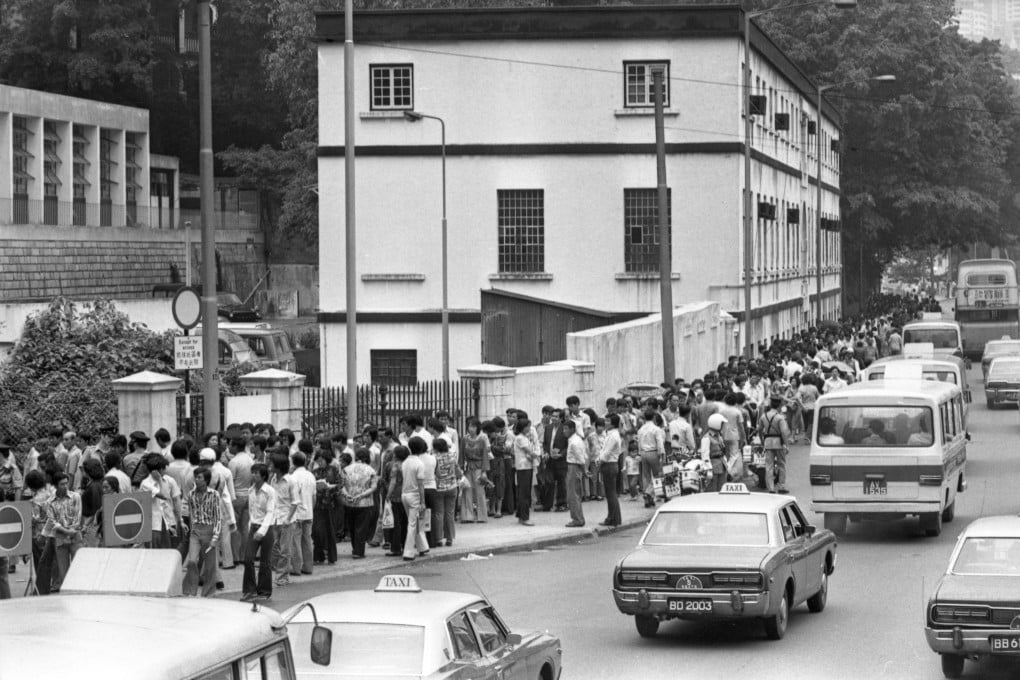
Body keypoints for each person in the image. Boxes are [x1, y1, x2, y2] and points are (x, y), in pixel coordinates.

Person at [241, 463, 277, 602]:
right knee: (248, 558)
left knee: (265, 561)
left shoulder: (269, 491)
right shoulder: (250, 491)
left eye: (256, 473)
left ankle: (264, 591)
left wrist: (262, 530)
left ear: (263, 476)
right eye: (253, 472)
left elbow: (270, 512)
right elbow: (251, 511)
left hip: (266, 528)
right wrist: (252, 526)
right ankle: (249, 590)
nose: (253, 475)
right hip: (254, 526)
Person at [183, 468, 221, 598]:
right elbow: (191, 513)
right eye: (196, 477)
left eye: (199, 477)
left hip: (209, 529)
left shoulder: (214, 494)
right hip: (196, 530)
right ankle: (189, 590)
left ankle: (208, 593)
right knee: (192, 561)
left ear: (206, 480)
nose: (196, 480)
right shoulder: (191, 494)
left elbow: (217, 516)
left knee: (210, 564)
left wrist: (216, 535)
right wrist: (191, 528)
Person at [341, 448, 376, 559]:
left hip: (349, 502)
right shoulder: (371, 470)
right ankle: (359, 551)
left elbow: (341, 485)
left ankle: (355, 548)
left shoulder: (346, 469)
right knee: (361, 527)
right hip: (364, 502)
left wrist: (347, 495)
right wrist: (360, 495)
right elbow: (373, 487)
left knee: (352, 526)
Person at [270, 454, 298, 587]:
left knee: (285, 550)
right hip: (275, 519)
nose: (270, 466)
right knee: (276, 547)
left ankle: (282, 576)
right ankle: (278, 571)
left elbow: (295, 502)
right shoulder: (273, 479)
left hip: (287, 519)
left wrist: (288, 519)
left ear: (278, 467)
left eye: (272, 464)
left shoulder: (291, 481)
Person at [401, 437, 430, 561]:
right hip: (415, 496)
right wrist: (423, 501)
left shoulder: (405, 462)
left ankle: (422, 546)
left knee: (414, 522)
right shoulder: (419, 463)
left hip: (404, 495)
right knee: (413, 524)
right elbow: (420, 485)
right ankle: (408, 552)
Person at [290, 450, 316, 575]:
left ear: (293, 463)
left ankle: (296, 567)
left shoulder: (294, 477)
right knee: (307, 540)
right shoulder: (310, 475)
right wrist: (311, 508)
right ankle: (308, 566)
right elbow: (314, 496)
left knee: (296, 541)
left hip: (297, 513)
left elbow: (293, 498)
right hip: (309, 512)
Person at [459, 417, 490, 523]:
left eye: (473, 426)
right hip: (467, 468)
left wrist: (484, 471)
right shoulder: (464, 439)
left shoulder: (482, 440)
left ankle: (482, 516)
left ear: (478, 428)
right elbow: (461, 455)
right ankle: (467, 516)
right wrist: (461, 468)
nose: (471, 428)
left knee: (480, 492)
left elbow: (485, 456)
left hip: (479, 468)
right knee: (467, 490)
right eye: (469, 426)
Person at [758, 397, 791, 494]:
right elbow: (784, 432)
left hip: (768, 442)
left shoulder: (763, 416)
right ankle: (781, 486)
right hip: (779, 443)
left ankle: (771, 488)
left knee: (769, 466)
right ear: (780, 406)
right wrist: (786, 444)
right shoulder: (780, 418)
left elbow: (759, 430)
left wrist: (762, 440)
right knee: (781, 464)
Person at [431, 438, 460, 547]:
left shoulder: (434, 458)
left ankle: (438, 538)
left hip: (439, 487)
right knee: (450, 513)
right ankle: (450, 538)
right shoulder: (452, 456)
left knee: (439, 513)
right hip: (452, 486)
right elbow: (457, 469)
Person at [598, 413, 623, 527]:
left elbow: (607, 452)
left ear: (613, 423)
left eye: (608, 421)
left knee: (611, 493)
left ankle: (612, 518)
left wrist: (599, 460)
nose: (605, 423)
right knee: (610, 493)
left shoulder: (613, 435)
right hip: (609, 464)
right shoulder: (610, 434)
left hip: (609, 464)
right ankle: (614, 517)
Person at [636, 409, 664, 508]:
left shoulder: (640, 430)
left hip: (643, 452)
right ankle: (649, 492)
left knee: (646, 476)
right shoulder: (656, 429)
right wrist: (661, 454)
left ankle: (648, 498)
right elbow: (660, 443)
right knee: (658, 475)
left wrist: (639, 453)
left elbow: (639, 443)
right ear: (653, 417)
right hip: (653, 452)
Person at [562, 420, 587, 527]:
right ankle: (579, 517)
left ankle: (577, 519)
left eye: (566, 428)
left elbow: (581, 459)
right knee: (575, 494)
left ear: (572, 429)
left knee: (572, 495)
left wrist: (584, 471)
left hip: (574, 467)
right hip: (574, 467)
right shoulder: (575, 439)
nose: (564, 431)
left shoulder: (574, 442)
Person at [699, 413, 727, 493]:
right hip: (713, 467)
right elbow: (705, 455)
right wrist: (708, 469)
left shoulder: (719, 436)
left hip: (722, 466)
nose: (722, 425)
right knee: (712, 491)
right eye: (721, 424)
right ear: (717, 424)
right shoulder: (706, 438)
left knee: (722, 491)